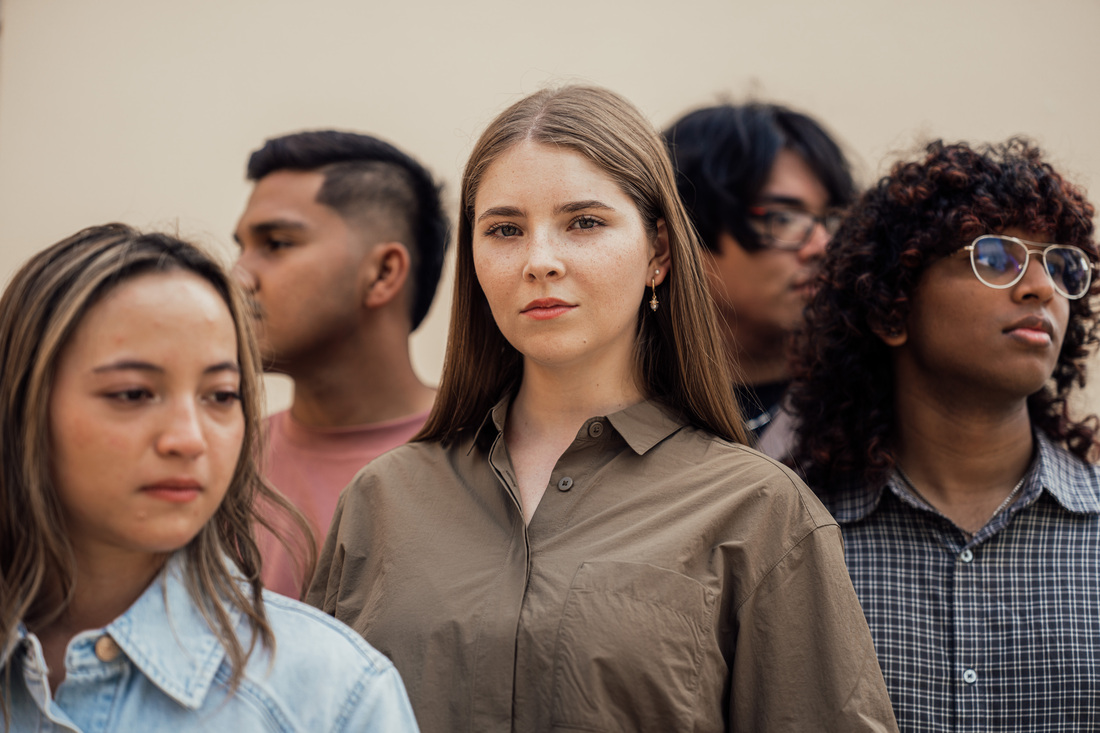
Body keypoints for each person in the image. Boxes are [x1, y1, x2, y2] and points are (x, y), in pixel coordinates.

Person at [308, 85, 898, 732]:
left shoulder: (760, 510)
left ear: (660, 252)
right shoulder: (381, 500)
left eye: (584, 222)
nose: (539, 261)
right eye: (504, 229)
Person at [0, 224, 418, 731]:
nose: (188, 439)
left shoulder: (335, 692)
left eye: (220, 395)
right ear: (23, 405)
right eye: (133, 394)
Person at [788, 139, 1100, 732]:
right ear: (891, 310)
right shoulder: (795, 536)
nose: (1041, 288)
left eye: (1060, 265)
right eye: (996, 257)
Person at [233, 130, 448, 597]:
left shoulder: (487, 463)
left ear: (383, 273)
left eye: (276, 243)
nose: (237, 275)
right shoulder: (219, 460)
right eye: (241, 247)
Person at [664, 103, 855, 456]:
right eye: (783, 219)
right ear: (683, 234)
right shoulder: (615, 405)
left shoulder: (868, 412)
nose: (822, 246)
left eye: (831, 219)